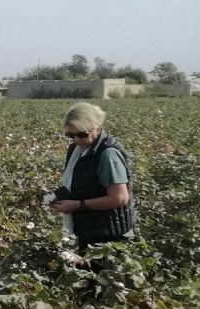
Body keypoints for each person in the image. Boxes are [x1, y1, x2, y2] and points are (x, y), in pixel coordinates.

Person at [48, 102, 135, 246]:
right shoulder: (77, 149)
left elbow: (119, 198)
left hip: (108, 236)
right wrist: (52, 198)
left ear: (97, 127)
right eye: (70, 135)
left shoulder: (108, 154)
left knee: (100, 268)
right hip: (88, 229)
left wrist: (76, 205)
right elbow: (81, 184)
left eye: (82, 134)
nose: (76, 140)